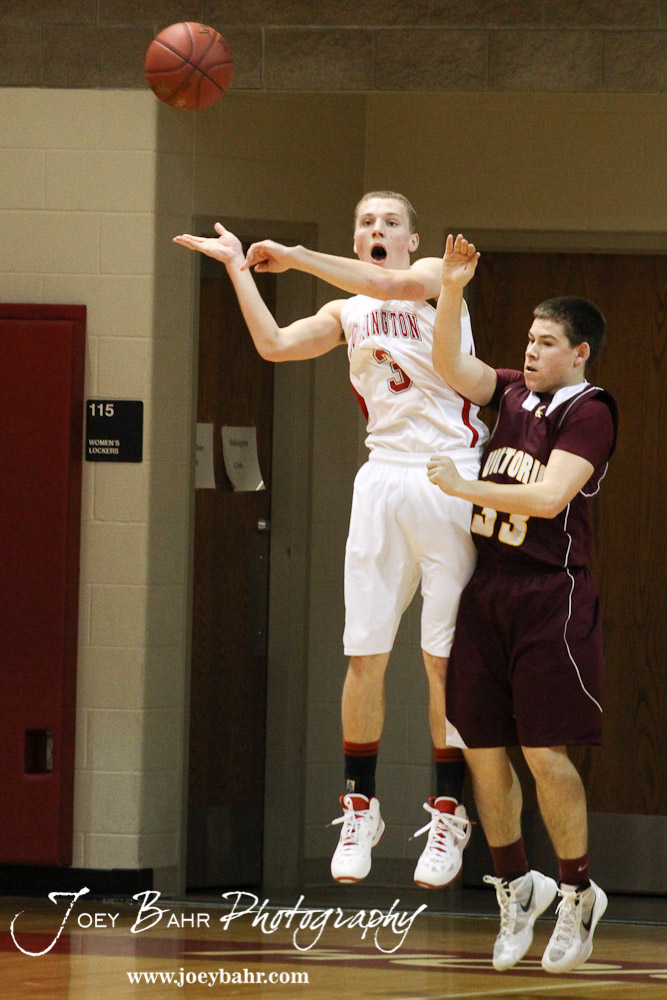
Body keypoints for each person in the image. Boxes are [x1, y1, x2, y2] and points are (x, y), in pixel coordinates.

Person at [174, 193, 488, 887]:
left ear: (411, 236)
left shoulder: (437, 277)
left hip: (449, 475)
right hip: (381, 476)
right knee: (364, 653)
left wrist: (292, 255)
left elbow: (383, 284)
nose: (376, 231)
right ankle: (358, 806)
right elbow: (274, 346)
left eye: (388, 223)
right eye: (365, 223)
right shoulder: (344, 310)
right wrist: (239, 269)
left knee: (441, 662)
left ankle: (445, 813)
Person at [427, 234, 617, 974]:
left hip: (552, 593)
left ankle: (576, 892)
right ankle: (514, 883)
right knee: (479, 747)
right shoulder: (507, 390)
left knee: (544, 752)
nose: (530, 351)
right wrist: (449, 289)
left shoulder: (590, 410)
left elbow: (545, 496)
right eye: (528, 340)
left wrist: (462, 486)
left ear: (578, 354)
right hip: (488, 589)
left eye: (545, 342)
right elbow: (451, 365)